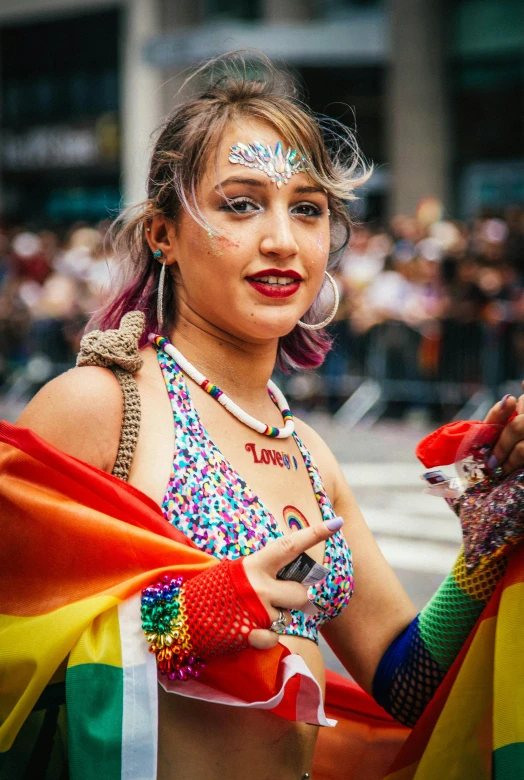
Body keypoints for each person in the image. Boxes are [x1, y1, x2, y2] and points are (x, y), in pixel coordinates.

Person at [7, 54, 524, 780]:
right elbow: (13, 651)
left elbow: (409, 687)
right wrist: (186, 619)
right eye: (241, 204)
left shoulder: (311, 453)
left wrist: (485, 548)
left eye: (307, 209)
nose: (282, 238)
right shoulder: (100, 406)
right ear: (164, 235)